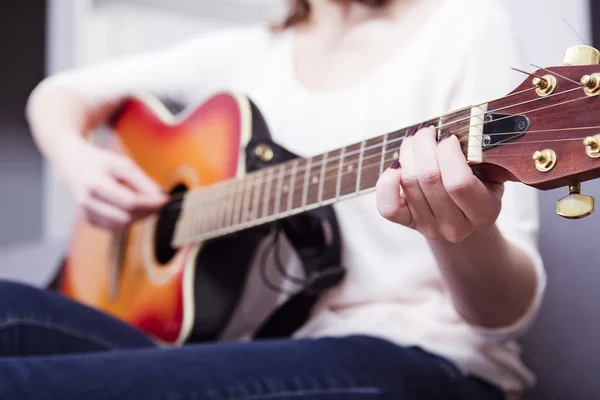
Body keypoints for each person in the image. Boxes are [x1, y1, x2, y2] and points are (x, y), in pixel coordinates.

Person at [3, 0, 545, 398]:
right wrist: (79, 162)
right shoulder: (251, 53)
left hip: (419, 358)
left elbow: (505, 317)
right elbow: (58, 94)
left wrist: (459, 231)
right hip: (251, 354)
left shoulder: (465, 27)